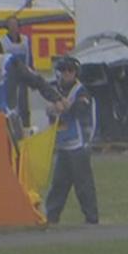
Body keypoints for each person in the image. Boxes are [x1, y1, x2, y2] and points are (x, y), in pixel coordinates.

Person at [43, 56, 99, 225]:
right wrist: (52, 108)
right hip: (63, 146)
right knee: (58, 185)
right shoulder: (54, 90)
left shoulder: (80, 91)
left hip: (79, 145)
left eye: (70, 71)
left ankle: (91, 219)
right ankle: (51, 218)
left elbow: (81, 109)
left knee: (83, 185)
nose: (67, 74)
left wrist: (65, 105)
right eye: (63, 70)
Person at [0, 16, 33, 128]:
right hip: (9, 77)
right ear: (7, 27)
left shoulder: (25, 40)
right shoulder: (2, 41)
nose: (13, 27)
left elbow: (30, 57)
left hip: (23, 76)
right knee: (11, 104)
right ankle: (11, 127)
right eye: (11, 24)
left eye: (15, 24)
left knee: (24, 104)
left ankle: (26, 127)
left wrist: (31, 73)